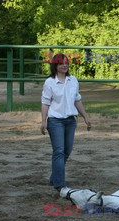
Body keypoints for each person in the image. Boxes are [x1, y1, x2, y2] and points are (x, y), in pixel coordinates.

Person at [40, 53, 91, 195]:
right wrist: (43, 122)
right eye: (61, 63)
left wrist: (85, 116)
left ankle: (54, 177)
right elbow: (45, 103)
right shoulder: (49, 82)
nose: (64, 65)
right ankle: (60, 184)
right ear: (55, 66)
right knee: (59, 151)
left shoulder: (73, 80)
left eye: (66, 63)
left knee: (67, 150)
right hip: (55, 121)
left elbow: (77, 100)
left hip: (70, 121)